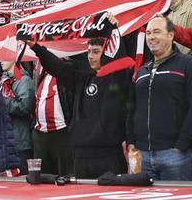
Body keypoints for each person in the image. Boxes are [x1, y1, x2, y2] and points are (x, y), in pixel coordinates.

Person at [32, 19, 133, 178]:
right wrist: (35, 46)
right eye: (88, 51)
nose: (90, 56)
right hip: (80, 157)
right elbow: (58, 68)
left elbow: (120, 60)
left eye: (95, 51)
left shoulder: (118, 79)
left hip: (108, 157)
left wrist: (112, 28)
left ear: (107, 53)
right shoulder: (82, 80)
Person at [127, 15, 192, 181]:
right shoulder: (142, 71)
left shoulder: (189, 64)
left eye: (157, 32)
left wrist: (181, 144)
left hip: (177, 155)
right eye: (149, 33)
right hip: (141, 156)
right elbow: (131, 109)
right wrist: (131, 142)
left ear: (171, 35)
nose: (151, 37)